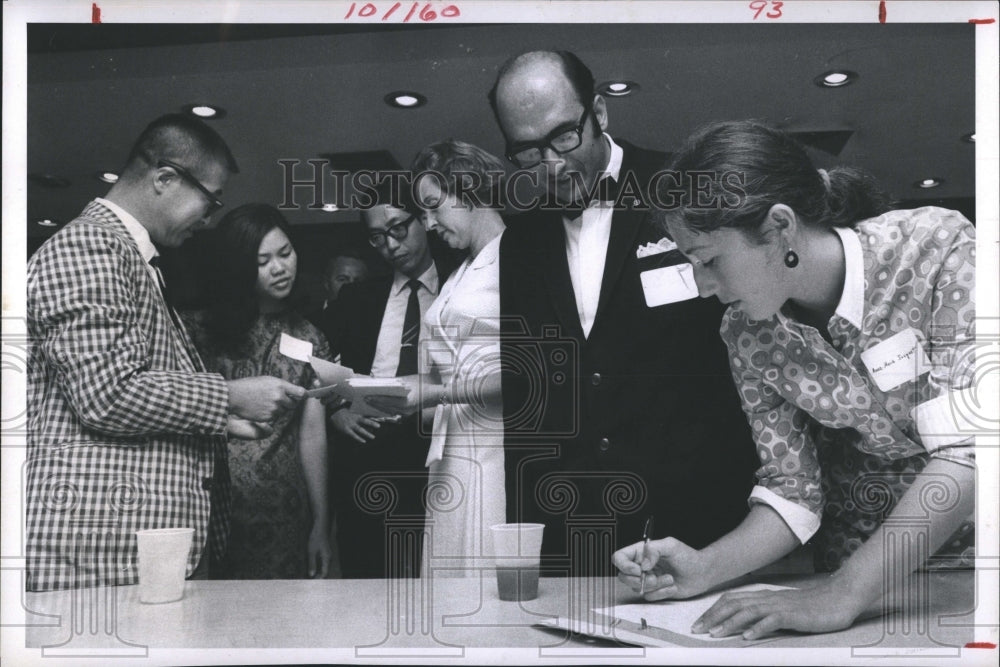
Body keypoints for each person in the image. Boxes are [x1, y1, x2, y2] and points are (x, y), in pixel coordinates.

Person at [613, 120, 976, 639]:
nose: (702, 286)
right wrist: (706, 567)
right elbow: (793, 489)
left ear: (779, 227)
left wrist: (843, 594)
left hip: (970, 565)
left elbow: (971, 448)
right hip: (853, 577)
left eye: (708, 259)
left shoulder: (938, 246)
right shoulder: (747, 333)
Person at [489, 50, 758, 575]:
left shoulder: (684, 187)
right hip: (577, 536)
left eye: (564, 137)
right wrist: (528, 537)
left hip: (700, 523)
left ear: (600, 113)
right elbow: (529, 401)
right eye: (526, 151)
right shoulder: (518, 243)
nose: (551, 164)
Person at [25, 114, 305, 591]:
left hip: (118, 552)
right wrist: (228, 399)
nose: (210, 216)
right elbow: (107, 393)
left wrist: (219, 422)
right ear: (165, 178)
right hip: (91, 556)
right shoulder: (90, 247)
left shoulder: (128, 255)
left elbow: (124, 386)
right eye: (210, 199)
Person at [367, 140, 508, 577]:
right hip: (450, 446)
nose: (427, 224)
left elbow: (526, 370)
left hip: (494, 445)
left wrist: (436, 392)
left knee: (484, 572)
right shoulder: (464, 268)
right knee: (448, 575)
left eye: (433, 207)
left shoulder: (517, 257)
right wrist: (400, 389)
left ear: (470, 188)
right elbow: (448, 366)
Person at [183, 204, 332, 579]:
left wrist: (321, 522)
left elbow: (312, 436)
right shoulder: (196, 331)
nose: (280, 268)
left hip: (282, 511)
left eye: (285, 253)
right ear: (238, 267)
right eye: (262, 261)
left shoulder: (309, 336)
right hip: (204, 505)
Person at [324, 181, 455, 578]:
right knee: (366, 579)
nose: (390, 245)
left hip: (439, 453)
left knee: (434, 574)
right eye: (377, 237)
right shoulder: (356, 300)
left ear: (424, 221)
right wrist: (336, 411)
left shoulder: (461, 286)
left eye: (398, 228)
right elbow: (319, 370)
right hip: (369, 454)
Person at [308, 250, 369, 353]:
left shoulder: (372, 324)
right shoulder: (307, 323)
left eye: (358, 281)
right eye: (342, 279)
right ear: (327, 283)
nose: (350, 287)